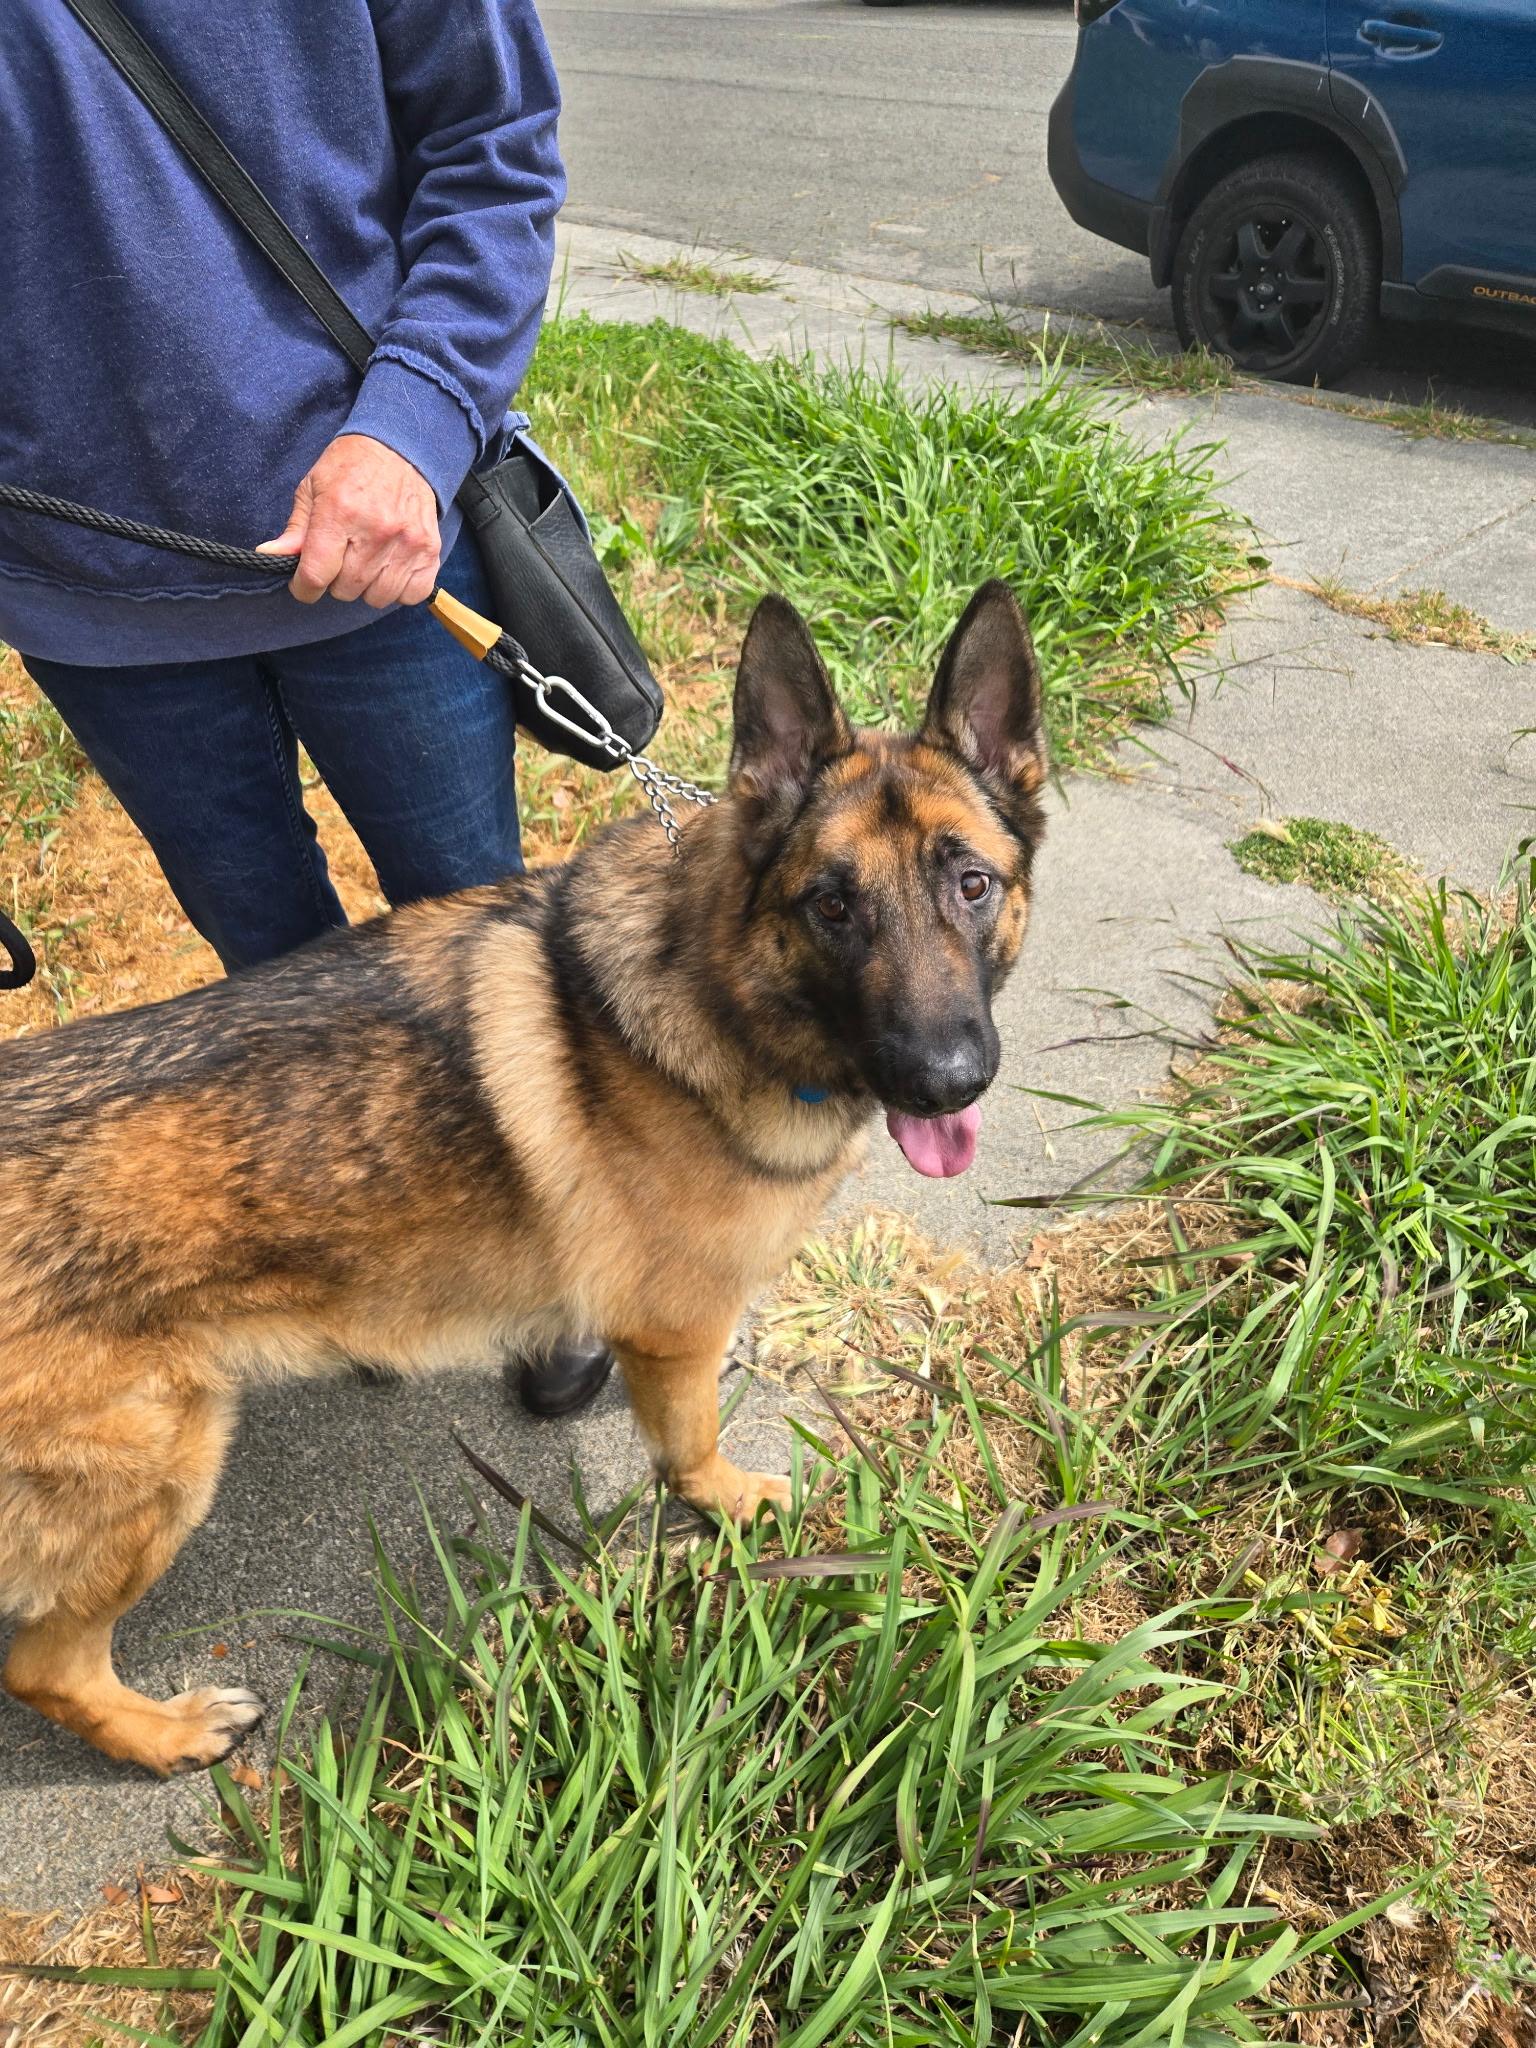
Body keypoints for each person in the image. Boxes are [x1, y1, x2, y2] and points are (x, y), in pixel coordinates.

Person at [0, 0, 614, 1419]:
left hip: (388, 550)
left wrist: (410, 427)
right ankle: (388, 1251)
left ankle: (560, 1256)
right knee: (274, 977)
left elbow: (493, 147)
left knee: (480, 942)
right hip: (89, 591)